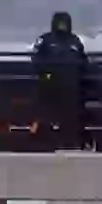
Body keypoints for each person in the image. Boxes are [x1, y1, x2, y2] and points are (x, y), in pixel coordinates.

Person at [18, 10, 87, 138]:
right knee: (46, 98)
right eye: (60, 22)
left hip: (70, 82)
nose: (62, 25)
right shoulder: (45, 39)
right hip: (49, 78)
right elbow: (36, 59)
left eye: (64, 23)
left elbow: (83, 60)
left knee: (72, 110)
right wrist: (47, 73)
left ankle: (71, 137)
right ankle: (45, 134)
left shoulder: (75, 40)